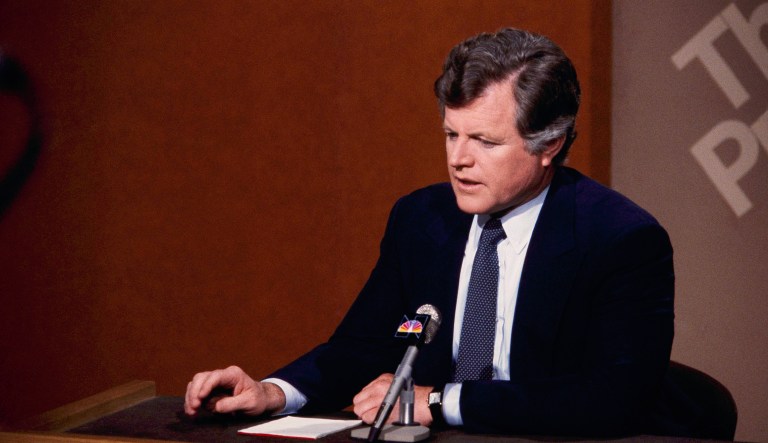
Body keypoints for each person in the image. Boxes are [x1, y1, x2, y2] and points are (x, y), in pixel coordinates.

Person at [185, 28, 678, 437]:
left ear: (549, 144)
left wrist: (443, 400)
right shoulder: (421, 218)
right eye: (451, 134)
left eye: (484, 141)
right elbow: (365, 346)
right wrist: (274, 392)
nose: (458, 160)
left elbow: (611, 398)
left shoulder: (620, 239)